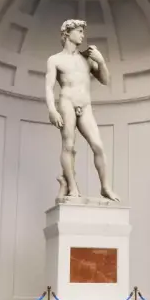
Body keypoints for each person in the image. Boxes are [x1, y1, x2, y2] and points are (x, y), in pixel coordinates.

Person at [45, 19, 120, 202]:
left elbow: (105, 80)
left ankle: (105, 187)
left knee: (98, 146)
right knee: (68, 146)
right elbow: (49, 87)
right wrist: (52, 110)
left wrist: (101, 61)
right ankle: (72, 186)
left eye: (82, 31)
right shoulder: (55, 59)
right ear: (67, 33)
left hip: (85, 106)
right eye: (79, 31)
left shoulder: (87, 58)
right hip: (67, 103)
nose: (82, 35)